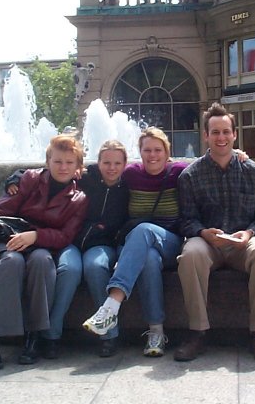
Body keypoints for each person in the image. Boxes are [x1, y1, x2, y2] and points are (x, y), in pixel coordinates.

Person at [0, 135, 88, 370]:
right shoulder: (29, 179)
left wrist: (36, 236)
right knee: (11, 263)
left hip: (41, 246)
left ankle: (34, 337)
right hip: (7, 241)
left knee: (42, 262)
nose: (63, 167)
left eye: (69, 162)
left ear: (78, 167)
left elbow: (65, 236)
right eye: (58, 161)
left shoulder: (79, 199)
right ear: (48, 162)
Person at [4, 140, 130, 359]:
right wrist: (14, 178)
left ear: (125, 164)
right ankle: (51, 335)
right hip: (70, 241)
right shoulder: (85, 177)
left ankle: (109, 334)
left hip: (102, 245)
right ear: (98, 163)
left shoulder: (129, 185)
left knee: (95, 267)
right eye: (106, 162)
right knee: (69, 269)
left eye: (117, 163)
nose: (112, 168)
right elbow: (41, 172)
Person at [174, 102, 255, 362]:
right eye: (215, 132)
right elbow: (185, 220)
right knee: (190, 255)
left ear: (234, 134)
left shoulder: (254, 173)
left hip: (244, 244)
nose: (221, 137)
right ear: (206, 136)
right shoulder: (190, 175)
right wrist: (203, 232)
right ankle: (197, 332)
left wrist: (250, 233)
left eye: (225, 132)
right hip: (208, 244)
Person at [81, 127, 186, 357]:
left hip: (170, 243)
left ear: (167, 152)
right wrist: (18, 176)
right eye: (147, 150)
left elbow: (207, 165)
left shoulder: (179, 171)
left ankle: (111, 305)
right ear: (140, 152)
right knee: (148, 259)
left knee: (143, 230)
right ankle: (156, 332)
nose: (152, 155)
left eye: (158, 150)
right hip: (142, 248)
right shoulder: (131, 174)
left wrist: (238, 153)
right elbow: (98, 171)